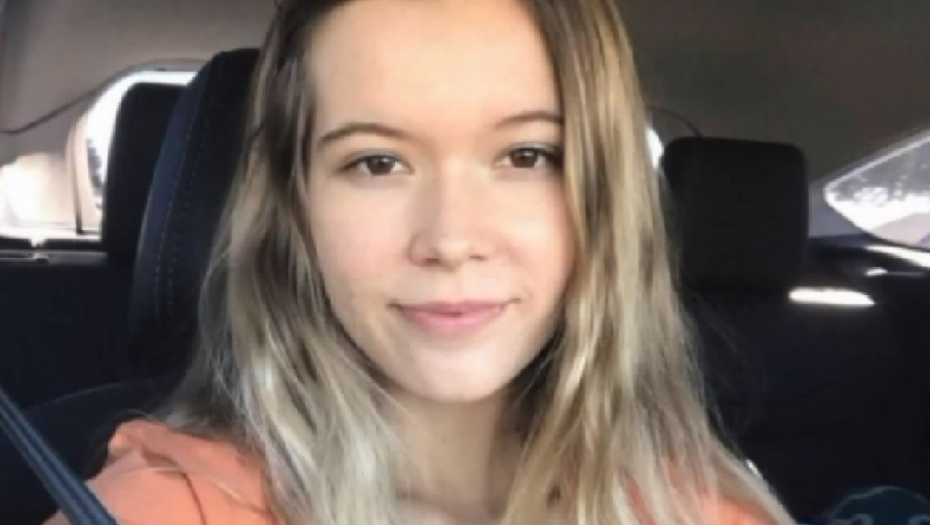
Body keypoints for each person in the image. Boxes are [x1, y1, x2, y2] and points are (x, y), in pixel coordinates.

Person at [45, 0, 795, 524]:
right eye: (377, 163)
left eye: (526, 156)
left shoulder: (705, 514)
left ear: (604, 197)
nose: (451, 238)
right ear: (297, 212)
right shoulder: (166, 507)